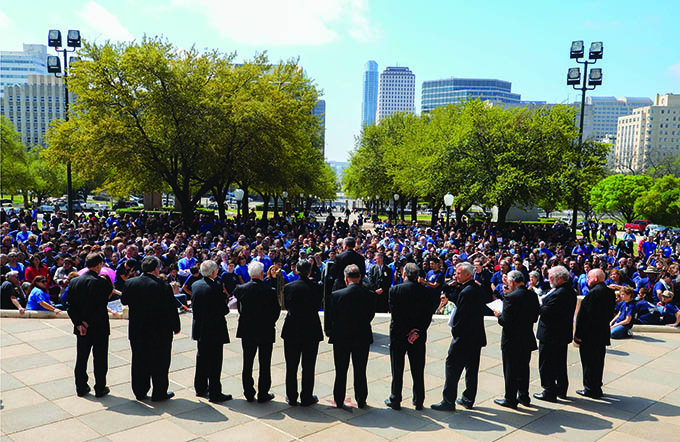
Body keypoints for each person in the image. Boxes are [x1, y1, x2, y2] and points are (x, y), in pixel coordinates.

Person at [121, 256, 181, 401]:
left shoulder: (130, 283)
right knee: (160, 362)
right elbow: (170, 309)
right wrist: (176, 326)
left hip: (137, 330)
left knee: (139, 361)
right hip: (159, 332)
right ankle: (159, 392)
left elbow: (124, 300)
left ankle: (140, 391)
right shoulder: (163, 285)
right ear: (156, 269)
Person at [432, 262, 487, 411]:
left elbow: (461, 318)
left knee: (452, 367)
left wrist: (455, 331)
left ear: (468, 274)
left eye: (458, 273)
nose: (455, 275)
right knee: (471, 369)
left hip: (464, 338)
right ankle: (468, 399)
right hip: (476, 336)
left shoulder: (466, 292)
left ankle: (448, 401)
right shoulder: (476, 289)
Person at [385, 262, 438, 411]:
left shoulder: (395, 290)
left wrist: (406, 332)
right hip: (418, 336)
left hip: (399, 335)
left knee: (397, 368)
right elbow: (428, 316)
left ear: (404, 274)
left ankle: (395, 399)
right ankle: (419, 400)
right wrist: (416, 332)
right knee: (418, 368)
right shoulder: (426, 292)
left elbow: (396, 316)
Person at [328, 264, 376, 409]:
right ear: (360, 277)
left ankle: (339, 398)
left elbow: (332, 317)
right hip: (362, 335)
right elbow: (370, 315)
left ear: (346, 278)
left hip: (341, 336)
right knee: (360, 370)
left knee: (341, 370)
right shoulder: (370, 294)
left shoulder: (337, 295)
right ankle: (361, 399)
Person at [233, 260, 281, 403]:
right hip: (265, 330)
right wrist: (269, 322)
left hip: (247, 330)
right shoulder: (269, 291)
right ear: (261, 274)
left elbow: (240, 309)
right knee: (264, 363)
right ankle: (263, 393)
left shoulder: (241, 290)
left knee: (247, 362)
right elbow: (276, 312)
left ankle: (248, 392)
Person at [67, 253, 113, 398]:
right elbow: (101, 307)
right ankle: (100, 387)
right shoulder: (101, 283)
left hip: (81, 328)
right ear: (98, 265)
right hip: (98, 327)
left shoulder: (74, 282)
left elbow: (70, 306)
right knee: (100, 359)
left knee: (81, 358)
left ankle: (81, 387)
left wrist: (79, 323)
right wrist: (88, 323)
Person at [494, 270, 540, 409]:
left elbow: (505, 321)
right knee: (523, 368)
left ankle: (510, 398)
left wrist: (498, 314)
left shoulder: (510, 297)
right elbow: (534, 317)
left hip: (511, 339)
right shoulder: (532, 295)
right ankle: (524, 396)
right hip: (526, 337)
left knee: (510, 370)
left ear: (512, 282)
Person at [281, 259, 323, 406]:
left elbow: (286, 305)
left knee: (291, 366)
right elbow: (318, 305)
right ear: (309, 271)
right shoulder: (317, 287)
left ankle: (291, 396)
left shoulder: (289, 287)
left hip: (292, 328)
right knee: (308, 365)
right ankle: (306, 396)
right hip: (310, 328)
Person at [191, 260, 233, 403]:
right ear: (213, 272)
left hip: (200, 328)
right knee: (215, 362)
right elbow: (223, 310)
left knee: (201, 358)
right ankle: (215, 393)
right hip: (214, 329)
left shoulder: (195, 284)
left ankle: (200, 387)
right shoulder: (215, 287)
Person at [534, 266, 577, 402]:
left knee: (547, 363)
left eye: (551, 277)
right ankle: (561, 389)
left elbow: (545, 311)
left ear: (559, 278)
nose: (548, 279)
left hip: (551, 334)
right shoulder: (568, 290)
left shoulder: (560, 293)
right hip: (561, 333)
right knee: (559, 363)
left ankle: (549, 390)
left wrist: (539, 303)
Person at [574, 269, 616, 399]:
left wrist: (578, 335)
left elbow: (584, 316)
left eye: (589, 278)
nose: (587, 280)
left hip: (589, 335)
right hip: (601, 332)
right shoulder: (610, 293)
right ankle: (596, 385)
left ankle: (590, 388)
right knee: (598, 361)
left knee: (589, 362)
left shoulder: (593, 293)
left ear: (596, 278)